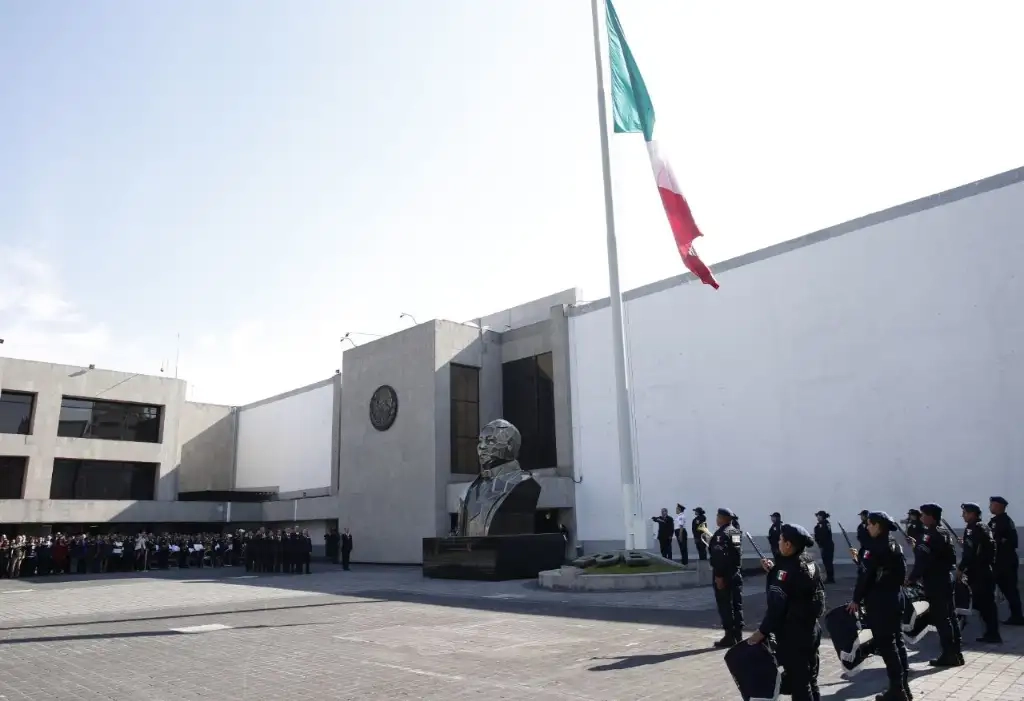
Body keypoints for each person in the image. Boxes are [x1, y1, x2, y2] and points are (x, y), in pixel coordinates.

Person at [746, 523, 825, 701]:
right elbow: (799, 586)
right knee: (810, 678)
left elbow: (776, 608)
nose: (779, 543)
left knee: (800, 684)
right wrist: (774, 570)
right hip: (811, 629)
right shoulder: (809, 562)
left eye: (781, 540)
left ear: (788, 544)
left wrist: (762, 632)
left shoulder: (786, 570)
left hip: (793, 634)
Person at [848, 512, 911, 701]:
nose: (867, 527)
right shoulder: (894, 544)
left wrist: (856, 599)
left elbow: (865, 576)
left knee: (887, 647)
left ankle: (897, 691)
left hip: (880, 603)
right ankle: (903, 687)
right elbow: (899, 573)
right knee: (897, 643)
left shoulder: (873, 547)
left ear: (878, 526)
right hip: (895, 598)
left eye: (869, 524)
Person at [907, 503, 963, 667]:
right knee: (951, 616)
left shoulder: (929, 535)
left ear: (931, 517)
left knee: (941, 618)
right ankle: (956, 653)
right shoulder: (943, 532)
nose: (921, 517)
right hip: (945, 578)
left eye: (924, 514)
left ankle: (949, 655)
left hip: (935, 581)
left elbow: (923, 560)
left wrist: (912, 578)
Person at [959, 502, 1001, 643]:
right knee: (986, 604)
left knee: (984, 605)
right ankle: (992, 632)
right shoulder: (984, 526)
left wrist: (961, 568)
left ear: (972, 514)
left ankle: (992, 634)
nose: (963, 516)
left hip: (978, 572)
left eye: (965, 513)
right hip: (986, 570)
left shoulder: (972, 529)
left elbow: (970, 554)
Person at [709, 507, 744, 647]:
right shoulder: (735, 531)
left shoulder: (721, 534)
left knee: (725, 604)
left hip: (724, 575)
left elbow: (719, 557)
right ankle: (738, 635)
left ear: (722, 518)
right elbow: (735, 553)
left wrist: (718, 576)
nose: (716, 519)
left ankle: (730, 636)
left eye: (718, 517)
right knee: (736, 604)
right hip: (735, 572)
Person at [988, 496, 1024, 625]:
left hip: (1006, 562)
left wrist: (997, 542)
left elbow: (1012, 542)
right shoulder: (994, 521)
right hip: (998, 562)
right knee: (1003, 589)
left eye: (992, 504)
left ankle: (1017, 617)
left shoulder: (1005, 521)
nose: (990, 507)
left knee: (1010, 590)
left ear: (999, 506)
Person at [813, 511, 836, 584]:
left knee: (827, 562)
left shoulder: (823, 524)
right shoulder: (825, 523)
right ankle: (830, 577)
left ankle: (830, 578)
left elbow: (822, 536)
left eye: (818, 516)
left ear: (821, 516)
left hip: (826, 545)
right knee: (827, 562)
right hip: (827, 545)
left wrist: (820, 544)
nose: (817, 517)